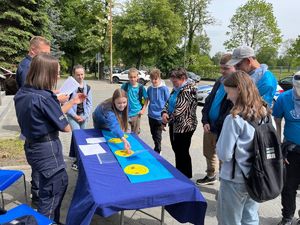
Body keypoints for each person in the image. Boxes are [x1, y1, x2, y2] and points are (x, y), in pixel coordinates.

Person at [14, 53, 86, 223]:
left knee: (47, 189)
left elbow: (50, 116)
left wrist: (72, 102)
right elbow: (66, 127)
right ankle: (45, 221)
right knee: (54, 190)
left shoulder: (23, 92)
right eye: (56, 72)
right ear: (46, 73)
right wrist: (59, 102)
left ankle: (50, 220)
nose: (58, 76)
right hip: (48, 152)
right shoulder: (45, 98)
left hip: (32, 147)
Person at [216, 70, 272, 225]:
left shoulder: (233, 118)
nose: (227, 97)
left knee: (229, 220)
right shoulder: (265, 112)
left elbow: (224, 154)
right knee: (250, 217)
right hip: (257, 175)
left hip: (234, 179)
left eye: (228, 92)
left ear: (238, 89)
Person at [15, 36, 51, 205]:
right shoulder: (27, 67)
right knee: (38, 163)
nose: (46, 58)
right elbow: (30, 97)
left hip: (33, 123)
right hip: (34, 126)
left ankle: (38, 193)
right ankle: (37, 196)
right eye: (44, 53)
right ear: (33, 50)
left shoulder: (29, 65)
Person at [196, 53, 235, 185]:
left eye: (226, 68)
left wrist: (213, 126)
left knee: (223, 158)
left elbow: (230, 111)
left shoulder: (237, 85)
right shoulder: (219, 81)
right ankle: (211, 175)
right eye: (221, 68)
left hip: (222, 130)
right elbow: (208, 101)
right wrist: (205, 121)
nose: (222, 71)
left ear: (235, 67)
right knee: (208, 153)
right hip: (209, 127)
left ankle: (224, 185)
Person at [273, 74, 300, 225]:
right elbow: (277, 122)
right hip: (291, 150)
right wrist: (279, 148)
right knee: (289, 186)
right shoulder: (284, 98)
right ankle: (287, 217)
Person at [161, 68, 197, 178]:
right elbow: (168, 101)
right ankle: (180, 173)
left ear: (183, 78)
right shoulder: (177, 88)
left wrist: (166, 120)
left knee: (182, 152)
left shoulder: (188, 90)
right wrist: (164, 112)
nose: (173, 83)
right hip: (175, 124)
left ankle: (185, 177)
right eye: (172, 81)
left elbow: (180, 110)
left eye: (175, 81)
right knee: (177, 150)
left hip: (185, 126)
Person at [147, 69, 170, 154]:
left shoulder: (164, 89)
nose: (153, 81)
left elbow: (168, 102)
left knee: (157, 135)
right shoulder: (149, 89)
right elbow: (146, 99)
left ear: (159, 78)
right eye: (152, 79)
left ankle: (158, 150)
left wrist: (166, 118)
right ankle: (157, 147)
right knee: (153, 134)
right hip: (151, 115)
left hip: (160, 116)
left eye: (155, 79)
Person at [121, 68, 148, 134]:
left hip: (136, 113)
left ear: (137, 77)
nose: (132, 79)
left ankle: (134, 144)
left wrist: (143, 110)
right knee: (126, 133)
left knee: (135, 134)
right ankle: (127, 144)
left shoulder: (141, 87)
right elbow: (120, 97)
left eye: (134, 77)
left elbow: (146, 99)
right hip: (126, 113)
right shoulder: (125, 86)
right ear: (128, 77)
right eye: (131, 77)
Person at [66, 65, 92, 130]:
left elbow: (89, 104)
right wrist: (75, 116)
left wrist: (85, 116)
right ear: (74, 75)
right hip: (72, 115)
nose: (80, 77)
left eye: (82, 74)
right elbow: (65, 103)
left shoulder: (88, 88)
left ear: (84, 74)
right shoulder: (69, 87)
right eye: (78, 75)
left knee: (81, 136)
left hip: (83, 115)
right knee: (77, 133)